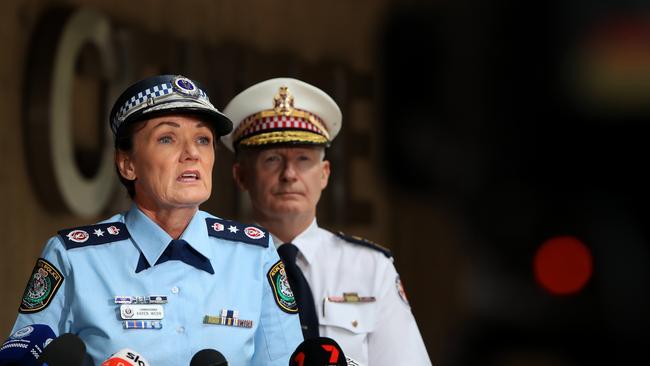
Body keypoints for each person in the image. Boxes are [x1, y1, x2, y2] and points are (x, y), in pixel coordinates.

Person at [10, 75, 303, 365]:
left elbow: (282, 360)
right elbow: (22, 359)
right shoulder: (74, 257)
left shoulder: (253, 253)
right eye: (167, 138)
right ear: (127, 164)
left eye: (203, 139)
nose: (191, 154)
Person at [222, 77, 432, 365]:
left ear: (324, 174)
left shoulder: (369, 268)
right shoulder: (218, 265)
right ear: (241, 176)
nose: (289, 174)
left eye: (303, 160)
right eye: (272, 159)